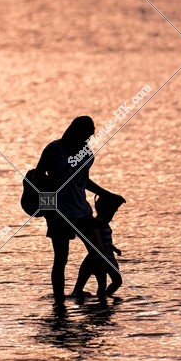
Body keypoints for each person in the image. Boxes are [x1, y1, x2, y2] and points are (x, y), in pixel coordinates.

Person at [36, 116, 124, 306]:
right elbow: (38, 176)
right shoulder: (54, 149)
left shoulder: (86, 154)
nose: (88, 140)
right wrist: (49, 208)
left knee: (98, 253)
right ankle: (59, 303)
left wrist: (108, 194)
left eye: (90, 137)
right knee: (61, 259)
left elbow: (83, 182)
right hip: (58, 213)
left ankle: (79, 290)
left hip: (82, 211)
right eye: (85, 135)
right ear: (74, 131)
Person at [71, 192, 126, 300]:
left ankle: (105, 296)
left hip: (110, 257)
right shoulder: (96, 223)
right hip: (99, 259)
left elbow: (106, 240)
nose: (115, 212)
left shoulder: (104, 223)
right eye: (113, 209)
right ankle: (101, 303)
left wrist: (114, 248)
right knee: (102, 285)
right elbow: (96, 241)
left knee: (117, 281)